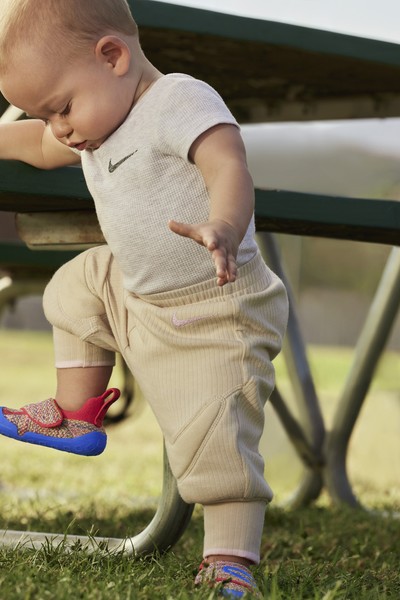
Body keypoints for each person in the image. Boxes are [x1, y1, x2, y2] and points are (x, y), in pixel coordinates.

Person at [0, 0, 288, 597]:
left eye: (62, 107)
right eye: (47, 114)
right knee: (74, 287)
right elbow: (34, 144)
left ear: (112, 56)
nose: (60, 127)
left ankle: (230, 559)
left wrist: (225, 225)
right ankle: (76, 413)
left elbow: (227, 161)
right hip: (140, 291)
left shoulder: (176, 100)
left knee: (216, 436)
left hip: (216, 304)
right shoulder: (96, 124)